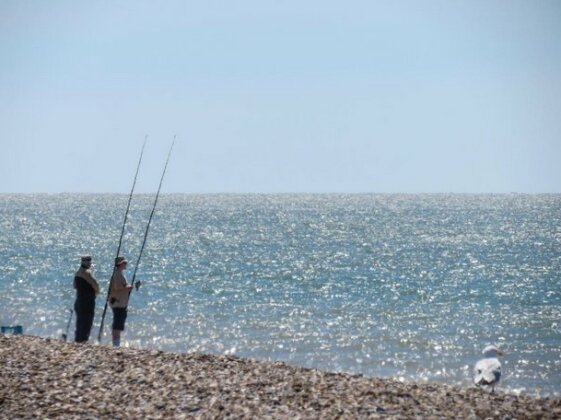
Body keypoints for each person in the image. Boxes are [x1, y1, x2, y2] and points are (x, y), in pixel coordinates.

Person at [73, 255, 100, 343]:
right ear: (84, 262)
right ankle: (84, 340)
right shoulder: (87, 273)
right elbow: (96, 286)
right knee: (87, 321)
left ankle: (78, 340)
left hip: (79, 300)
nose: (90, 263)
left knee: (80, 322)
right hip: (88, 301)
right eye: (88, 261)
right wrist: (96, 292)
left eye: (90, 261)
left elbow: (74, 286)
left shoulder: (77, 273)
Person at [108, 256, 134, 347]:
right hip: (118, 303)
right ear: (120, 264)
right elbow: (118, 287)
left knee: (119, 322)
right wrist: (129, 287)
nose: (126, 264)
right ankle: (116, 344)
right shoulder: (117, 274)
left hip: (120, 302)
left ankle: (116, 343)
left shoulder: (119, 274)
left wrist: (129, 287)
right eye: (124, 263)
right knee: (117, 323)